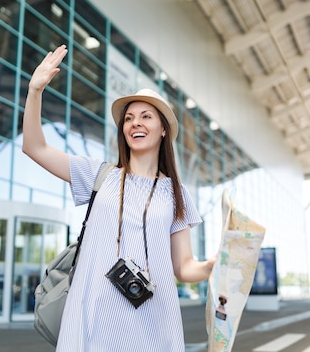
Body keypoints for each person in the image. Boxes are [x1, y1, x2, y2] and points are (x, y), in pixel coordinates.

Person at [23, 44, 215, 352]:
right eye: (129, 118)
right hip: (94, 317)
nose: (135, 123)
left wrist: (214, 266)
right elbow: (35, 148)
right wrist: (35, 91)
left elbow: (183, 267)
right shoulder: (100, 176)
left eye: (146, 116)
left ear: (163, 129)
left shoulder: (176, 193)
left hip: (154, 320)